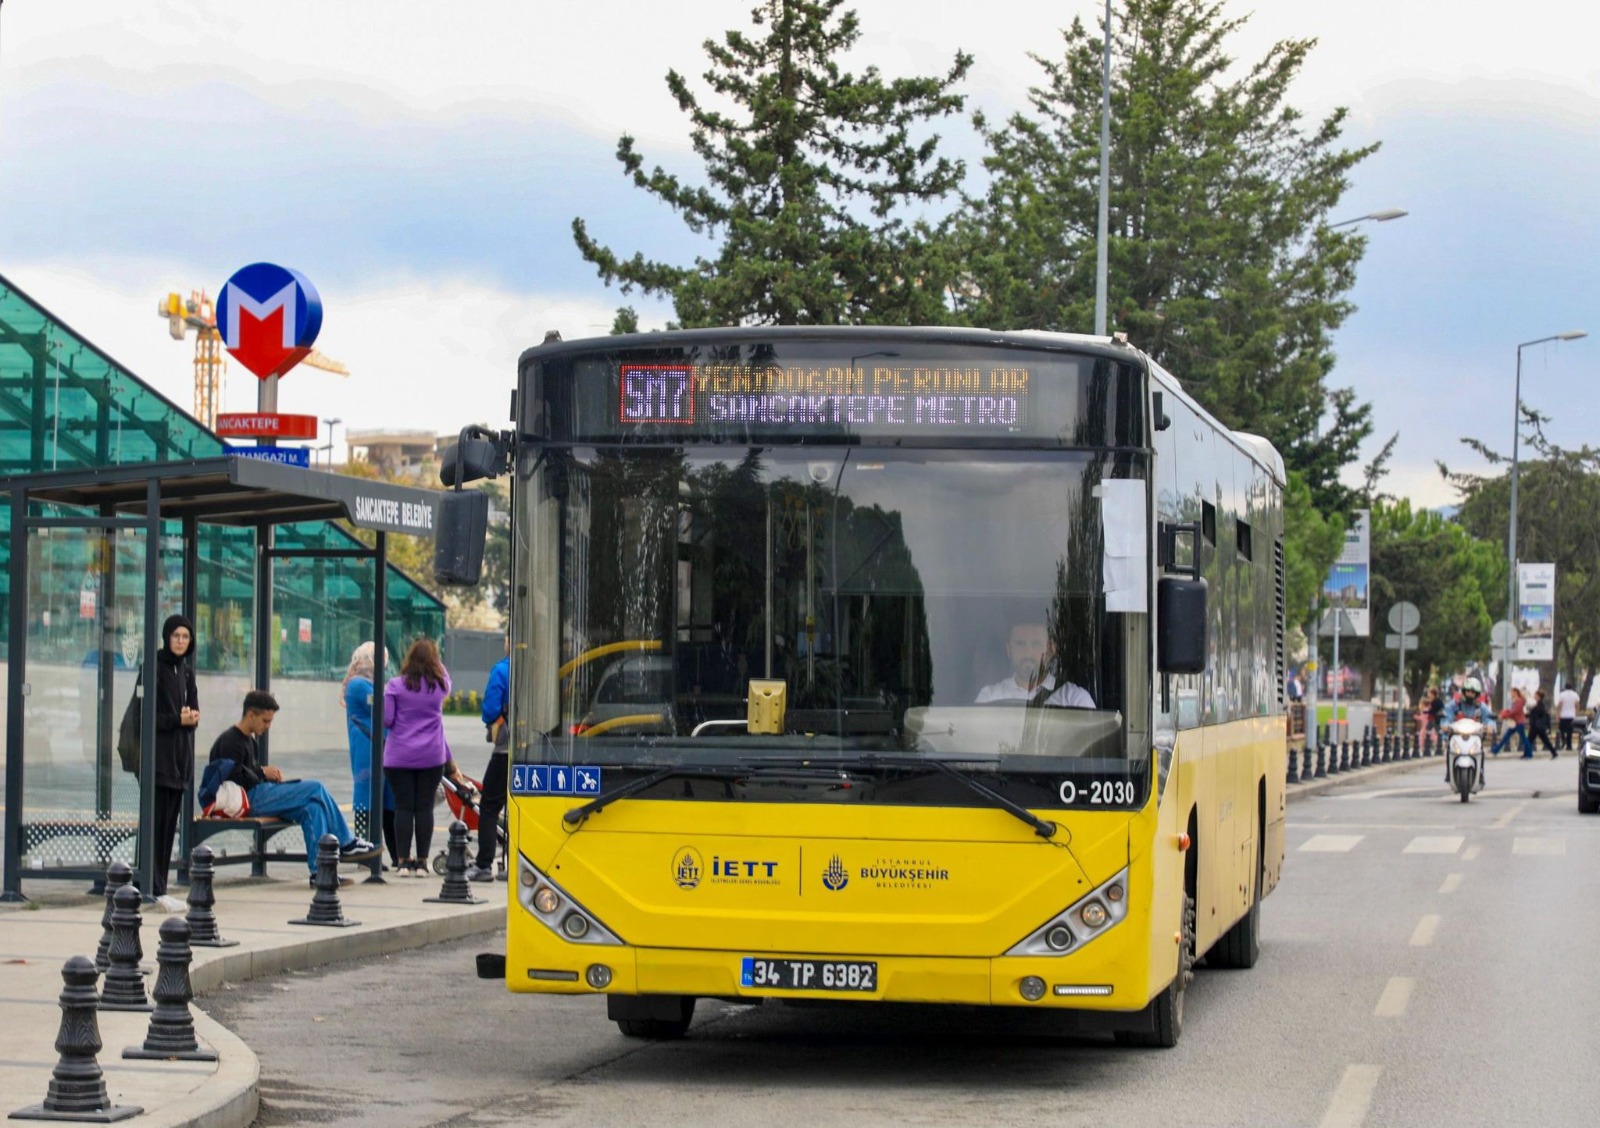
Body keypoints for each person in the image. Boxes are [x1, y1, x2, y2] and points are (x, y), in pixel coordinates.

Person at [206, 690, 379, 885]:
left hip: (255, 795)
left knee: (312, 808)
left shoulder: (250, 742)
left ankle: (321, 872)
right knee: (315, 788)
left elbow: (247, 773)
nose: (268, 726)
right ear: (250, 715)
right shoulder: (230, 741)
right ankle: (346, 842)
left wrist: (265, 775)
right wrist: (263, 773)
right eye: (265, 721)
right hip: (245, 800)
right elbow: (233, 778)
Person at [384, 639, 454, 878]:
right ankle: (423, 862)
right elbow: (444, 674)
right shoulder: (440, 685)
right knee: (424, 808)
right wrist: (435, 663)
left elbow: (387, 720)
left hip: (399, 756)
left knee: (403, 807)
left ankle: (403, 861)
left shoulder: (394, 686)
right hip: (432, 756)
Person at [149, 614, 200, 910]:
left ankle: (160, 886)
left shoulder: (187, 673)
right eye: (176, 636)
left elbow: (193, 712)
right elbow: (148, 718)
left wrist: (190, 719)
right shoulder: (154, 669)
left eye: (185, 637)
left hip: (180, 761)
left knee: (169, 827)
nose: (181, 641)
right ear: (167, 637)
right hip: (159, 760)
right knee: (156, 825)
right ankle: (152, 887)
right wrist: (178, 719)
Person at [343, 642, 398, 868]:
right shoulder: (358, 685)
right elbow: (383, 707)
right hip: (367, 748)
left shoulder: (373, 684)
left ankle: (394, 854)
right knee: (366, 798)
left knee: (388, 800)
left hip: (383, 748)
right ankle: (367, 855)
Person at [974, 621, 1095, 708]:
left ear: (1050, 650)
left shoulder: (1074, 699)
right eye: (1020, 644)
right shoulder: (989, 697)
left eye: (1036, 644)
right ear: (1008, 649)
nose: (1027, 653)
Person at [470, 635, 511, 883]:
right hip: (537, 750)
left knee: (489, 806)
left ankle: (484, 864)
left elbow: (491, 709)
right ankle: (515, 863)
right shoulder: (539, 667)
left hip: (506, 749)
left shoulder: (502, 670)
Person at [1442, 677, 1496, 788]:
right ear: (1463, 691)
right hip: (1457, 734)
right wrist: (1445, 724)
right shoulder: (1455, 704)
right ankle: (1449, 772)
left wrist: (1490, 726)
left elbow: (1489, 717)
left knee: (1480, 751)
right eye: (1467, 691)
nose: (1470, 694)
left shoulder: (1481, 706)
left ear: (1477, 694)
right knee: (1449, 750)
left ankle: (1480, 773)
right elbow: (1447, 714)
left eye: (1472, 692)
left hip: (1474, 735)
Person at [1491, 687, 1532, 757]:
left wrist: (1505, 714)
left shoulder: (1519, 701)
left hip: (1519, 722)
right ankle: (1496, 750)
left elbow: (1515, 711)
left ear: (1515, 692)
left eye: (1512, 692)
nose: (1511, 694)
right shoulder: (1516, 701)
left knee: (1523, 739)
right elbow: (1513, 712)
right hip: (1515, 722)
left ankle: (1529, 753)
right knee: (1506, 737)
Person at [1527, 689, 1556, 758]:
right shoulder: (1538, 704)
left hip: (1536, 726)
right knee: (1544, 740)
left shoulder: (1540, 705)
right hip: (1538, 726)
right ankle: (1554, 752)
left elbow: (1539, 713)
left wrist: (1531, 713)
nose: (1534, 696)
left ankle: (1527, 754)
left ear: (1539, 696)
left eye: (1535, 695)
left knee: (1529, 740)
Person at [1555, 684, 1582, 750]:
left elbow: (1559, 705)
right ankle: (1569, 745)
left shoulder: (1562, 694)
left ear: (1565, 687)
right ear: (1571, 687)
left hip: (1563, 715)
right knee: (1569, 731)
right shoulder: (1575, 694)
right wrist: (1576, 714)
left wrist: (1558, 714)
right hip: (1571, 715)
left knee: (1562, 730)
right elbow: (1577, 705)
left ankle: (1563, 740)